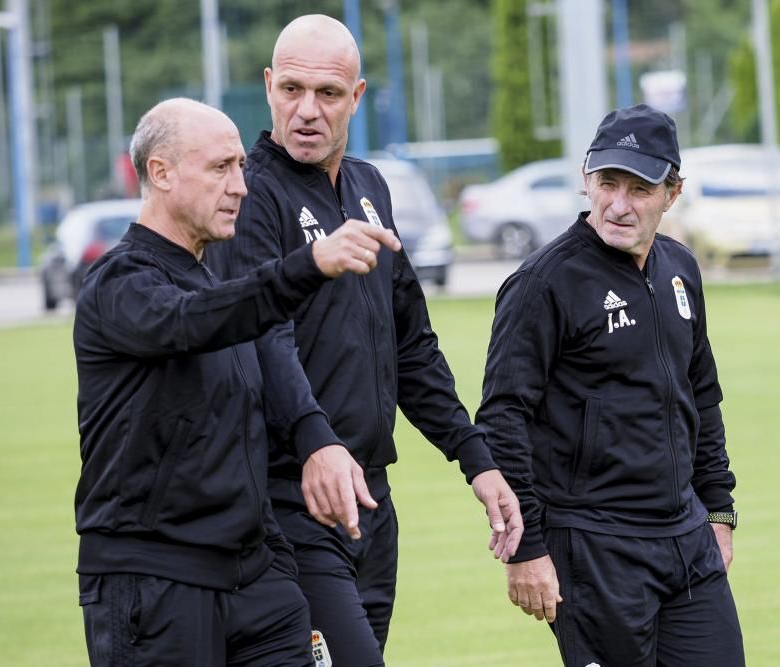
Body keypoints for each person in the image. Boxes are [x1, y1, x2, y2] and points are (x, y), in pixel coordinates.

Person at [207, 14, 522, 665]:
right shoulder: (251, 196)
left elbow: (412, 342)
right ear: (268, 86)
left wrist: (476, 456)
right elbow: (266, 338)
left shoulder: (370, 189)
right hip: (291, 502)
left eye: (327, 93)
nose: (305, 110)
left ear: (357, 97)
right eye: (291, 89)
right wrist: (317, 442)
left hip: (372, 506)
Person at [73, 97, 402, 666]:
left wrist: (274, 558)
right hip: (156, 583)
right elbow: (187, 324)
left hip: (256, 580)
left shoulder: (213, 286)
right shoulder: (119, 283)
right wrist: (309, 263)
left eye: (240, 168)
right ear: (161, 172)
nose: (240, 187)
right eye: (221, 168)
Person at [476, 104, 746, 666]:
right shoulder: (542, 284)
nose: (618, 205)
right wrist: (526, 548)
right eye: (607, 183)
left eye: (640, 189)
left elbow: (702, 394)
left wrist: (717, 511)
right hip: (595, 547)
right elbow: (503, 419)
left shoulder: (680, 269)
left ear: (673, 193)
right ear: (586, 179)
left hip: (687, 538)